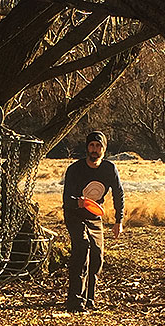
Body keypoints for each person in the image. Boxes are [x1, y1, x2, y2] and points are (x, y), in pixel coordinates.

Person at [62, 131, 124, 313]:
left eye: (98, 146)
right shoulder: (75, 169)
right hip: (74, 214)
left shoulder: (109, 169)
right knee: (82, 248)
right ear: (87, 148)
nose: (95, 150)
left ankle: (90, 299)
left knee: (97, 256)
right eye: (91, 146)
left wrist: (118, 221)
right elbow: (66, 199)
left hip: (95, 216)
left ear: (104, 150)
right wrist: (78, 202)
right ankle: (75, 301)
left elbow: (118, 194)